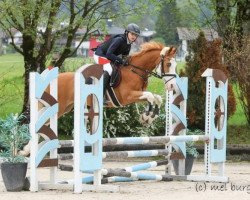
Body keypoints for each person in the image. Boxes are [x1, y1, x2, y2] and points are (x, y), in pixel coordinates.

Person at [93, 23, 141, 95]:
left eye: (136, 35)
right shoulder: (119, 40)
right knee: (109, 69)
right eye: (132, 34)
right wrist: (121, 61)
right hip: (100, 55)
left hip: (108, 57)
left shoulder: (128, 45)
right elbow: (109, 54)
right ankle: (100, 94)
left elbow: (124, 57)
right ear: (127, 32)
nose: (134, 36)